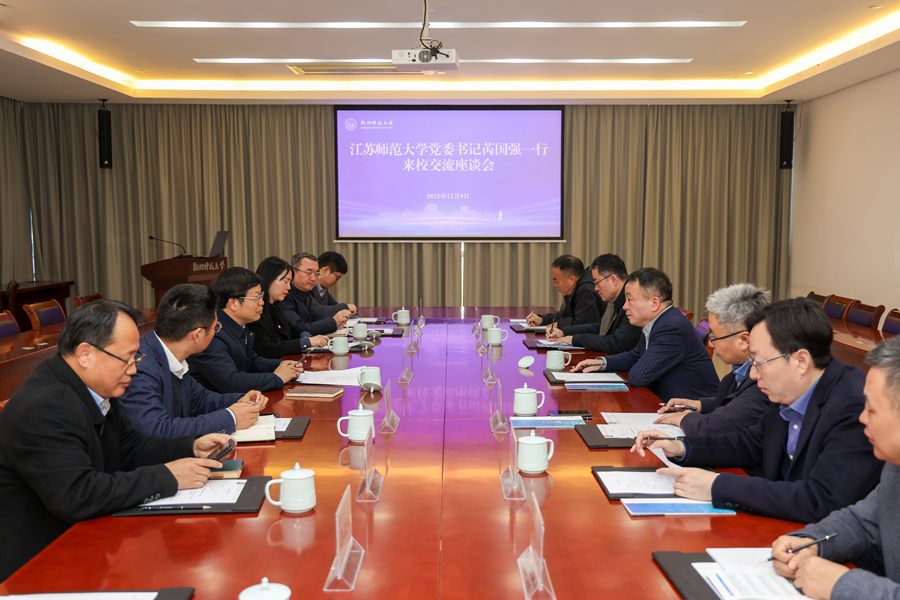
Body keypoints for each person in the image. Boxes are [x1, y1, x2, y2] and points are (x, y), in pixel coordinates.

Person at [0, 300, 232, 581]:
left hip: (82, 543)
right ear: (85, 354)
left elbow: (131, 447)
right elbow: (77, 495)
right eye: (127, 358)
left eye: (136, 358)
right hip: (34, 567)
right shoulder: (45, 407)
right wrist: (169, 476)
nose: (133, 369)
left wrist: (190, 446)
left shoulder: (92, 388)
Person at [633, 298, 884, 524]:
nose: (753, 374)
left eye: (759, 362)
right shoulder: (788, 389)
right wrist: (682, 447)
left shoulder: (853, 408)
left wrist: (718, 486)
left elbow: (821, 500)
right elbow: (751, 444)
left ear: (801, 361)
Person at [770, 335, 900, 600]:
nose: (862, 418)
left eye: (872, 410)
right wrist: (812, 542)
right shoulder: (894, 465)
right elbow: (862, 523)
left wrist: (843, 585)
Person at [118, 284, 269, 437]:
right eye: (216, 327)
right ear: (197, 335)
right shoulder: (140, 366)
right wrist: (231, 418)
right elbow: (158, 430)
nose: (217, 332)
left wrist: (239, 400)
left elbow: (199, 399)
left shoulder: (171, 354)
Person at [571, 268, 719, 402]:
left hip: (692, 413)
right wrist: (602, 363)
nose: (625, 306)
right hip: (665, 403)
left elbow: (638, 377)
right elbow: (635, 356)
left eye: (630, 299)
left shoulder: (671, 327)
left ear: (654, 304)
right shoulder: (658, 321)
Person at [655, 283, 771, 436]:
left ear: (744, 340)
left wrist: (684, 419)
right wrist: (698, 405)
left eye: (714, 337)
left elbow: (721, 423)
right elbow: (732, 403)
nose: (710, 343)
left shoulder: (765, 379)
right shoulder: (739, 370)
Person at [187, 267, 304, 393]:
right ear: (233, 303)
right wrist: (278, 377)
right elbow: (231, 382)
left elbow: (251, 362)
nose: (262, 302)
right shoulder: (212, 332)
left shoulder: (237, 325)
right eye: (256, 297)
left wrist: (282, 365)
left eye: (261, 296)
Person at [544, 253, 641, 354]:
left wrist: (574, 339)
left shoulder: (632, 303)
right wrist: (564, 332)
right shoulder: (614, 299)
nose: (595, 288)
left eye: (597, 282)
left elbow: (616, 344)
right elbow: (599, 327)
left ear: (613, 279)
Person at [250, 256, 328, 359]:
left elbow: (291, 328)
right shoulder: (255, 312)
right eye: (285, 282)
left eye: (289, 282)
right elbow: (266, 349)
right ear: (269, 280)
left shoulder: (274, 307)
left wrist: (305, 335)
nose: (289, 287)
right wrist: (306, 342)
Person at [280, 252, 352, 336]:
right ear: (293, 271)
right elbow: (298, 328)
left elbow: (317, 317)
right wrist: (333, 322)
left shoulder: (305, 294)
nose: (314, 279)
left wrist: (336, 323)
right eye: (308, 273)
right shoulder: (284, 295)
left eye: (317, 274)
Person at [525, 255, 602, 331]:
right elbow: (566, 314)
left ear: (571, 280)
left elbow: (583, 325)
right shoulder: (573, 288)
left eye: (557, 281)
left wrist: (559, 325)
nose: (555, 285)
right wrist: (542, 319)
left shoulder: (587, 290)